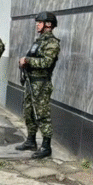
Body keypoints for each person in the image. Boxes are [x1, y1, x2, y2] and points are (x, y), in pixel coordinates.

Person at [15, 11, 60, 159]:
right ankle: (31, 141)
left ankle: (46, 146)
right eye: (37, 22)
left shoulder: (52, 43)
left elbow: (46, 62)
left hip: (41, 84)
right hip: (31, 82)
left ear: (48, 24)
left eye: (40, 22)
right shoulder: (39, 41)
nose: (37, 25)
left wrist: (27, 60)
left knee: (42, 114)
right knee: (28, 112)